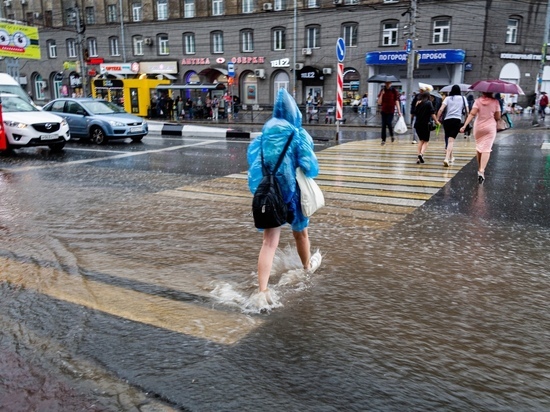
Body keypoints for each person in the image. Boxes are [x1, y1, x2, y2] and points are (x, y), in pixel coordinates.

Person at [247, 88, 322, 302]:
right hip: (293, 194)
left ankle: (262, 290)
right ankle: (307, 268)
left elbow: (253, 165)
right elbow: (311, 166)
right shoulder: (297, 134)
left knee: (269, 243)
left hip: (270, 194)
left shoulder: (263, 135)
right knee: (301, 233)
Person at [460, 92, 501, 184]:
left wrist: (464, 125)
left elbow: (472, 114)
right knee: (486, 149)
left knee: (479, 147)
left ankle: (480, 167)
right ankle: (481, 170)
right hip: (490, 127)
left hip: (478, 127)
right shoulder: (495, 102)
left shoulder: (477, 101)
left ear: (483, 92)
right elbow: (498, 117)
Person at [437, 85, 469, 167]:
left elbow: (441, 109)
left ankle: (451, 157)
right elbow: (467, 111)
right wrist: (466, 122)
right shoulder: (463, 98)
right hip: (456, 120)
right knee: (451, 141)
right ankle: (446, 159)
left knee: (448, 138)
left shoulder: (448, 98)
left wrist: (437, 119)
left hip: (447, 120)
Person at [413, 91, 440, 164]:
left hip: (417, 124)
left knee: (421, 140)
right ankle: (421, 154)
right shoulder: (429, 103)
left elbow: (415, 113)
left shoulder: (418, 103)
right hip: (425, 124)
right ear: (428, 96)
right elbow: (432, 113)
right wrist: (437, 121)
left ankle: (418, 158)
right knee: (426, 141)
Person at [377, 81, 402, 145]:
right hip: (384, 110)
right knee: (383, 125)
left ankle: (392, 135)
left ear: (391, 84)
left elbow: (396, 101)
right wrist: (382, 94)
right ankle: (383, 140)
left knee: (389, 123)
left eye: (389, 83)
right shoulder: (382, 90)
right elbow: (379, 102)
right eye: (386, 83)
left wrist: (399, 111)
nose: (387, 84)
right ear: (385, 83)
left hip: (391, 110)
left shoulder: (394, 91)